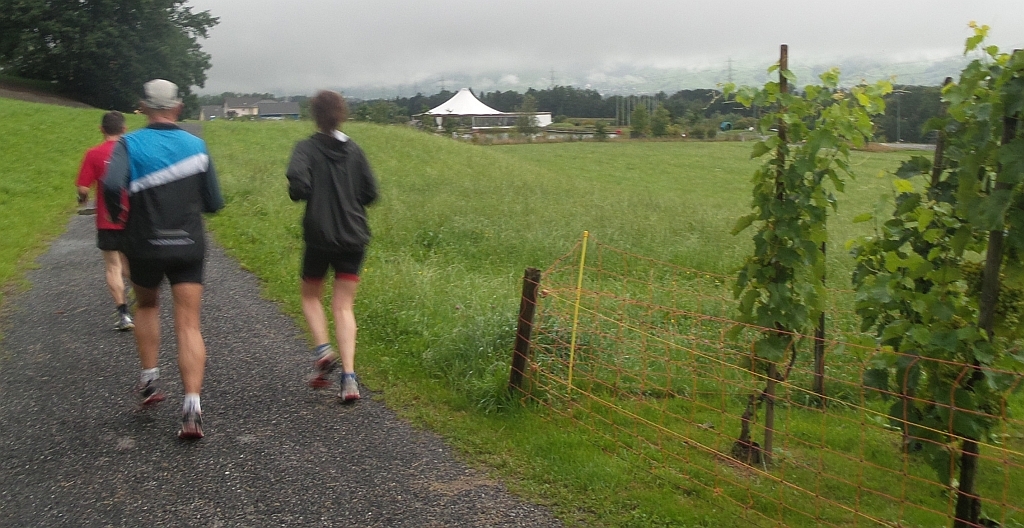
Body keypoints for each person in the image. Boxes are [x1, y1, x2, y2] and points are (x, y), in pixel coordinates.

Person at [103, 79, 224, 439]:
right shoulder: (197, 145)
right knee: (189, 323)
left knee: (147, 306)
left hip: (145, 244)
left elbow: (111, 185)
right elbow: (214, 202)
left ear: (142, 107)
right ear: (178, 106)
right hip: (188, 245)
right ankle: (192, 408)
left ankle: (150, 380)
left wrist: (118, 217)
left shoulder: (128, 143)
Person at [286, 90, 378, 402]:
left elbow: (298, 186)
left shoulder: (305, 148)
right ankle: (349, 378)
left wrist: (311, 192)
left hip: (320, 237)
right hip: (354, 237)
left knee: (310, 295)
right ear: (342, 113)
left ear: (314, 115)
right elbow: (371, 193)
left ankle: (324, 351)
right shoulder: (355, 150)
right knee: (343, 306)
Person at [76, 111, 135, 331]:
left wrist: (82, 200)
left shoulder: (93, 154)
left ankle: (123, 314)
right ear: (124, 129)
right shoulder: (131, 153)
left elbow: (83, 189)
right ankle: (144, 300)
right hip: (133, 217)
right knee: (130, 263)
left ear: (101, 129)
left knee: (113, 266)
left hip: (107, 219)